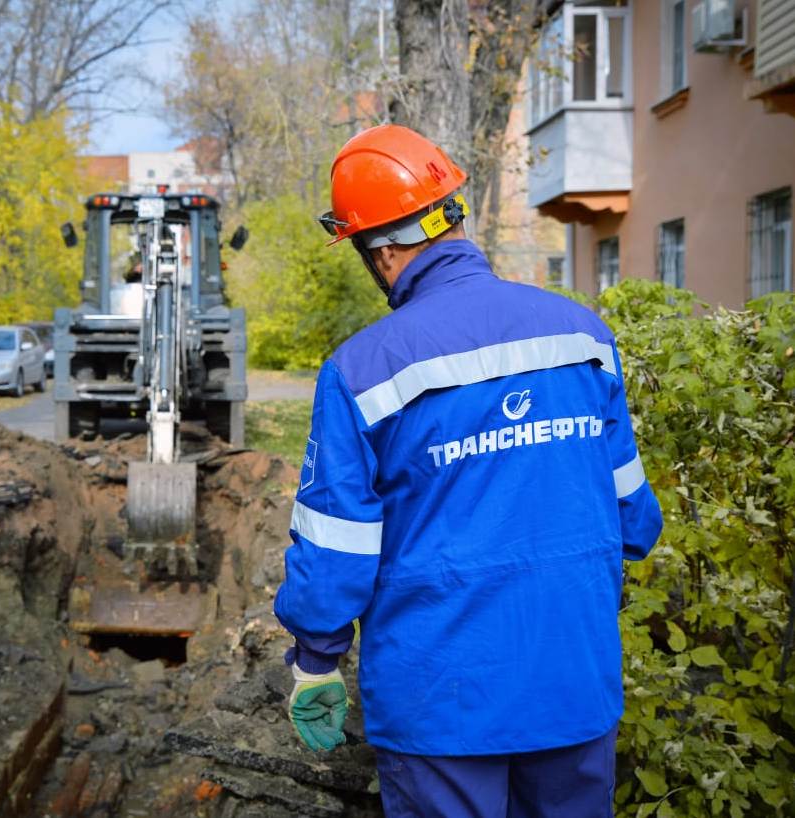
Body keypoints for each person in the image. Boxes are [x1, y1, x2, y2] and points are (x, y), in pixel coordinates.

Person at [273, 124, 663, 818]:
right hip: (572, 679)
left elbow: (336, 551)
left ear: (382, 252)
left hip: (441, 699)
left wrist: (316, 659)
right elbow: (635, 517)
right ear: (451, 216)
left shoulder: (363, 370)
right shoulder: (583, 336)